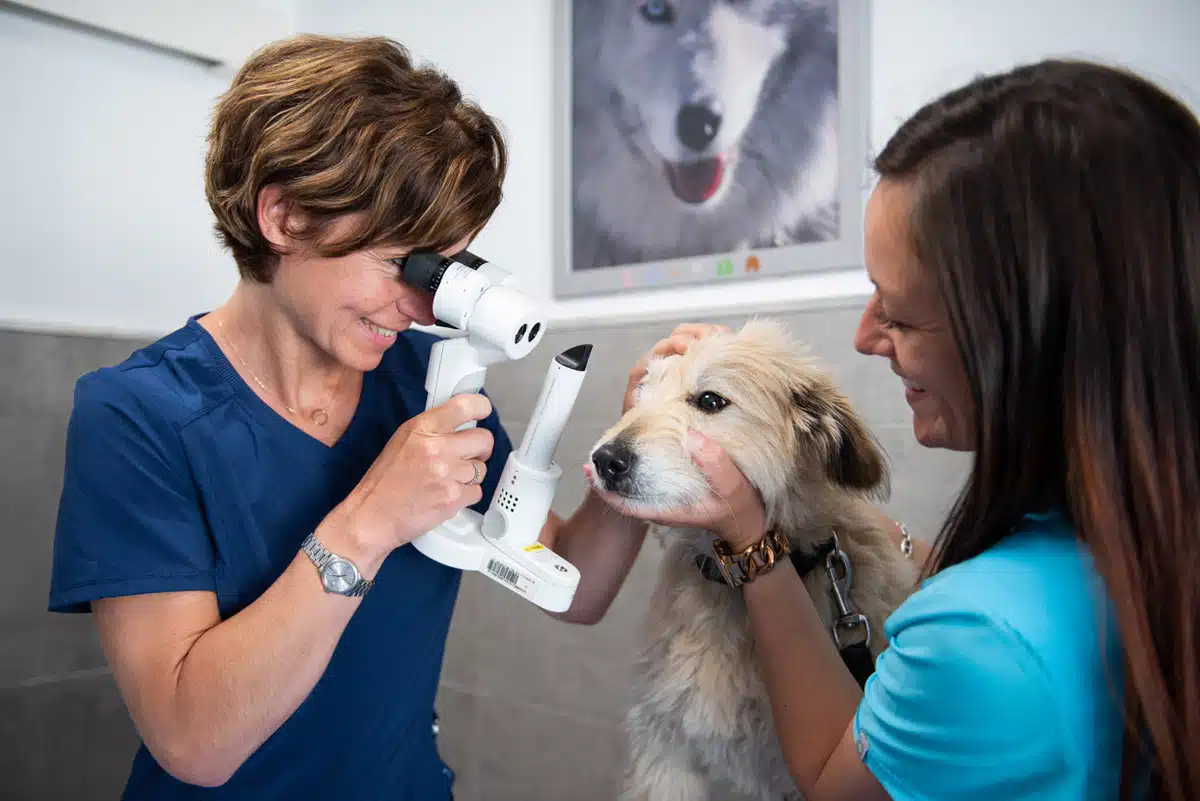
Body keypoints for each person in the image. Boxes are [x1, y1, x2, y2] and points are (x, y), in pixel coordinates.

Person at [47, 34, 649, 799]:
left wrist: (641, 446)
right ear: (286, 217)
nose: (423, 304)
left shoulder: (426, 386)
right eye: (406, 263)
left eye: (447, 267)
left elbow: (576, 588)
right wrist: (370, 519)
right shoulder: (136, 415)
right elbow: (192, 739)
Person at [612, 60, 1200, 799]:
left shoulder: (981, 638)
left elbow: (833, 780)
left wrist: (755, 543)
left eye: (897, 311)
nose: (863, 336)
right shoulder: (1111, 534)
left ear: (1022, 328)